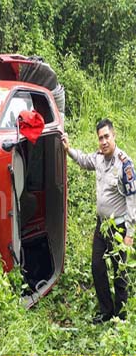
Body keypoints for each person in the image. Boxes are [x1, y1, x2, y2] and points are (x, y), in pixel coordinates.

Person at [62, 119, 135, 323]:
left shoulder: (125, 165)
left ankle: (121, 317)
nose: (103, 141)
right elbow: (85, 161)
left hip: (119, 227)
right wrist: (69, 150)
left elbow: (132, 200)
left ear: (114, 136)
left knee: (119, 272)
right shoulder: (99, 158)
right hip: (102, 225)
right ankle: (106, 311)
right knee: (97, 266)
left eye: (106, 136)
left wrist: (129, 234)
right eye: (100, 137)